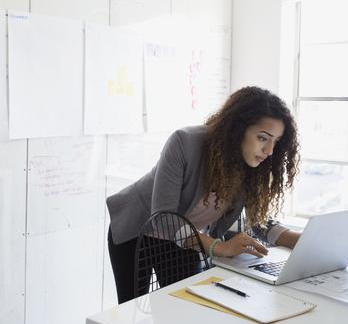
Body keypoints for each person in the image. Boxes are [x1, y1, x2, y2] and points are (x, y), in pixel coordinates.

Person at [106, 86, 303, 305]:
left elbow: (256, 219)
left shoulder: (251, 165)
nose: (269, 151)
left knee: (186, 310)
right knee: (131, 313)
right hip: (135, 230)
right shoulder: (184, 142)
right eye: (263, 138)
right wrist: (220, 247)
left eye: (276, 141)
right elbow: (163, 218)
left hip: (183, 237)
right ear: (237, 128)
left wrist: (303, 242)